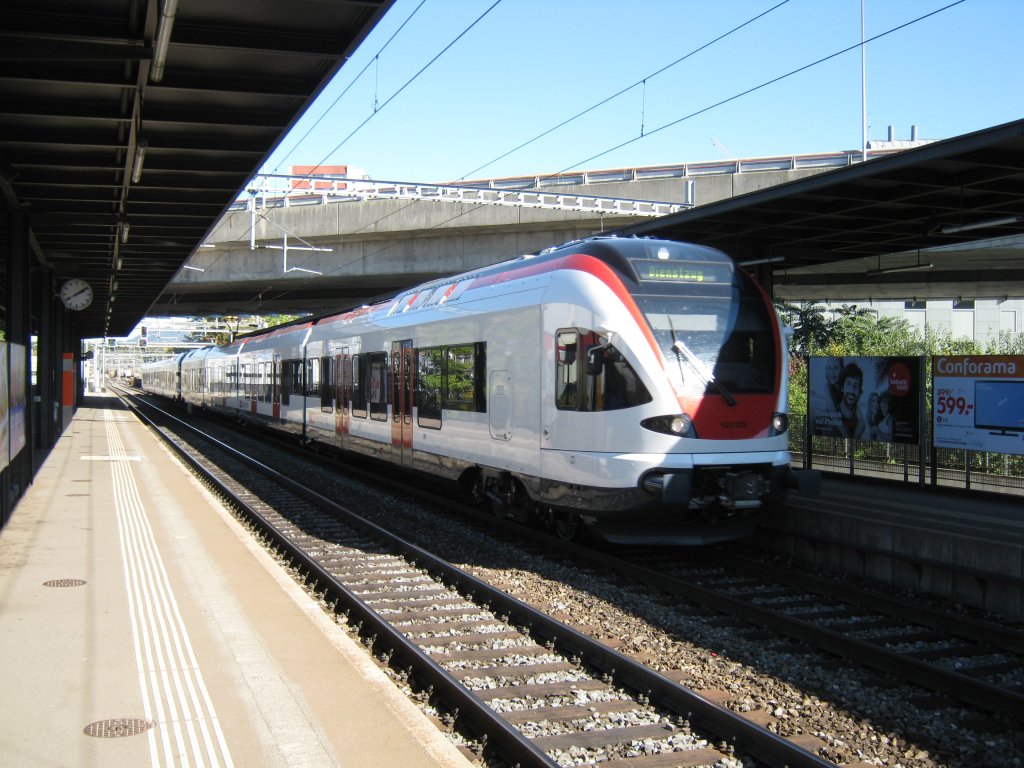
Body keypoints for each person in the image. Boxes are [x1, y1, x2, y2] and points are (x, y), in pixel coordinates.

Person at [837, 362, 865, 439]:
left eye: (856, 385)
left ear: (860, 392)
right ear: (842, 387)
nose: (852, 391)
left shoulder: (862, 423)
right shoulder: (830, 417)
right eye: (848, 384)